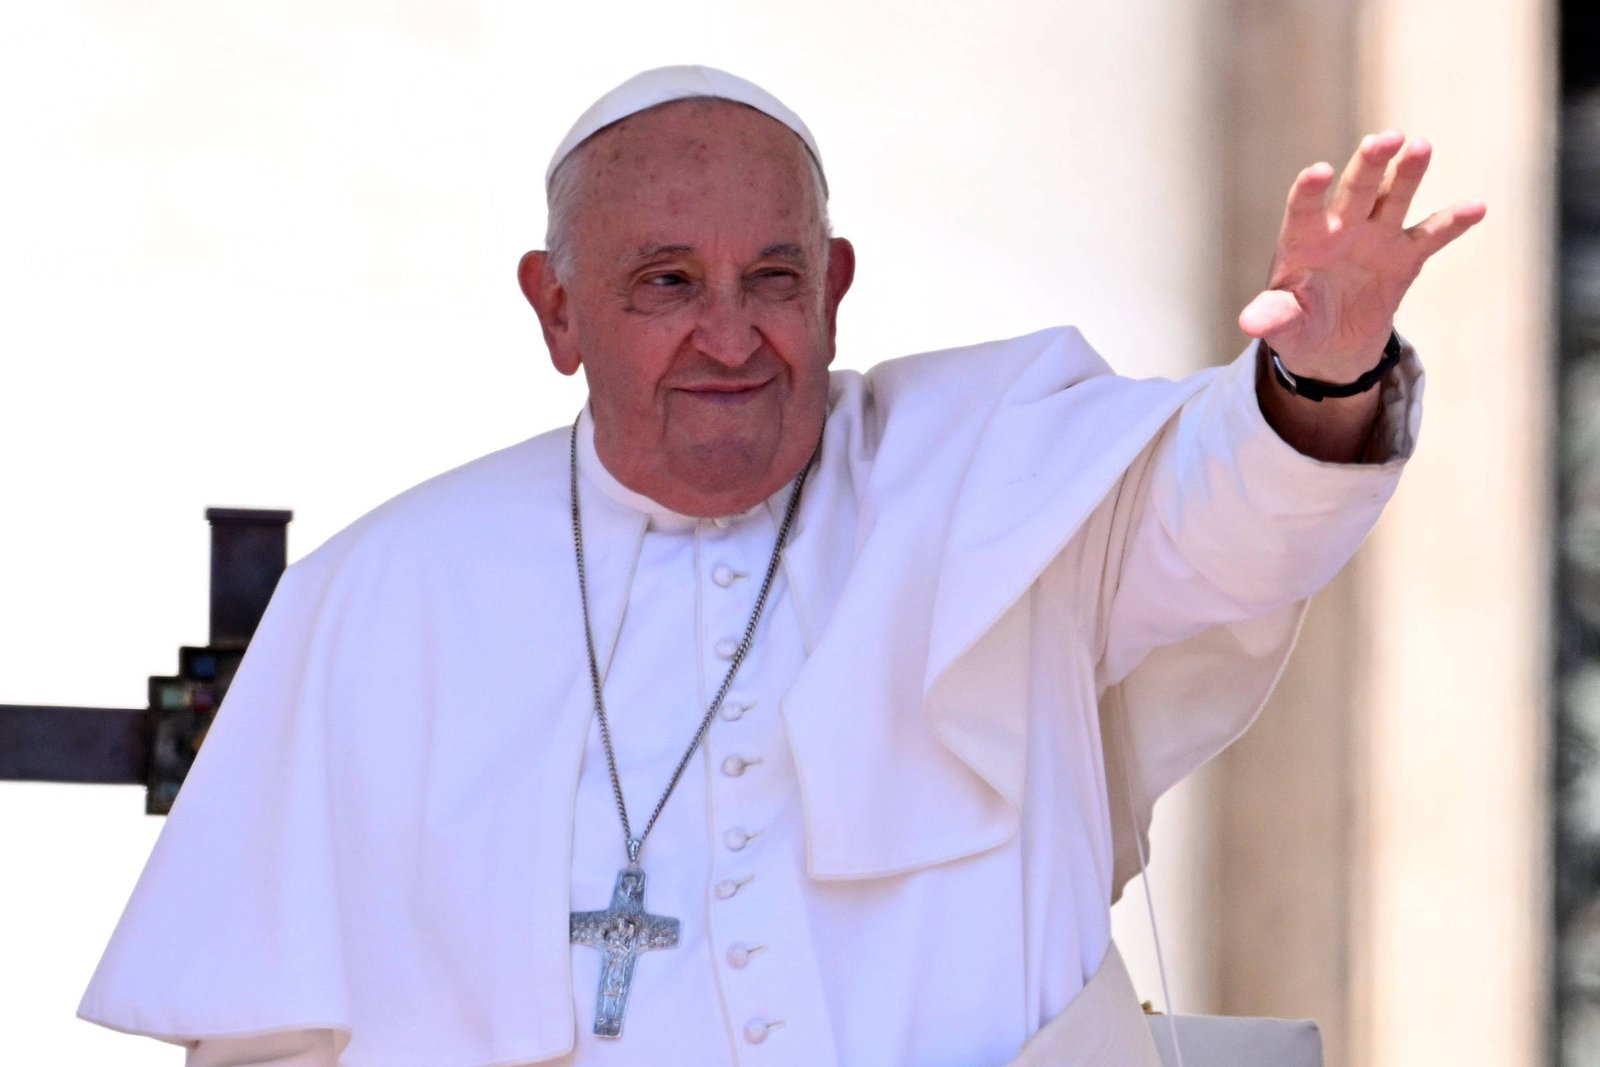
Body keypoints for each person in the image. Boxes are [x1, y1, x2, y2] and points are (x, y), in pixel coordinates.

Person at [78, 65, 1482, 1066]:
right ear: (557, 311)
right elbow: (268, 1036)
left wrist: (1321, 371)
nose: (732, 335)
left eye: (773, 277)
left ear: (836, 285)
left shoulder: (994, 464)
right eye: (667, 283)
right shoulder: (384, 597)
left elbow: (1232, 511)